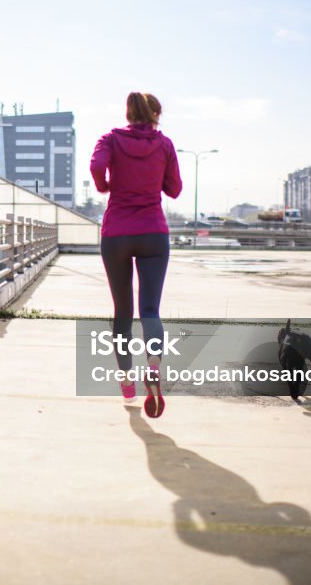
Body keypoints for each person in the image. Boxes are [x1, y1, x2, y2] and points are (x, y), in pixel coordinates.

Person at [90, 92, 182, 417]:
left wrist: (105, 185)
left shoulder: (111, 139)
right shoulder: (165, 145)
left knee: (122, 312)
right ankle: (153, 367)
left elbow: (96, 166)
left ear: (128, 113)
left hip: (116, 233)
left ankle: (127, 381)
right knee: (150, 310)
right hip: (154, 233)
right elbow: (174, 189)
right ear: (156, 114)